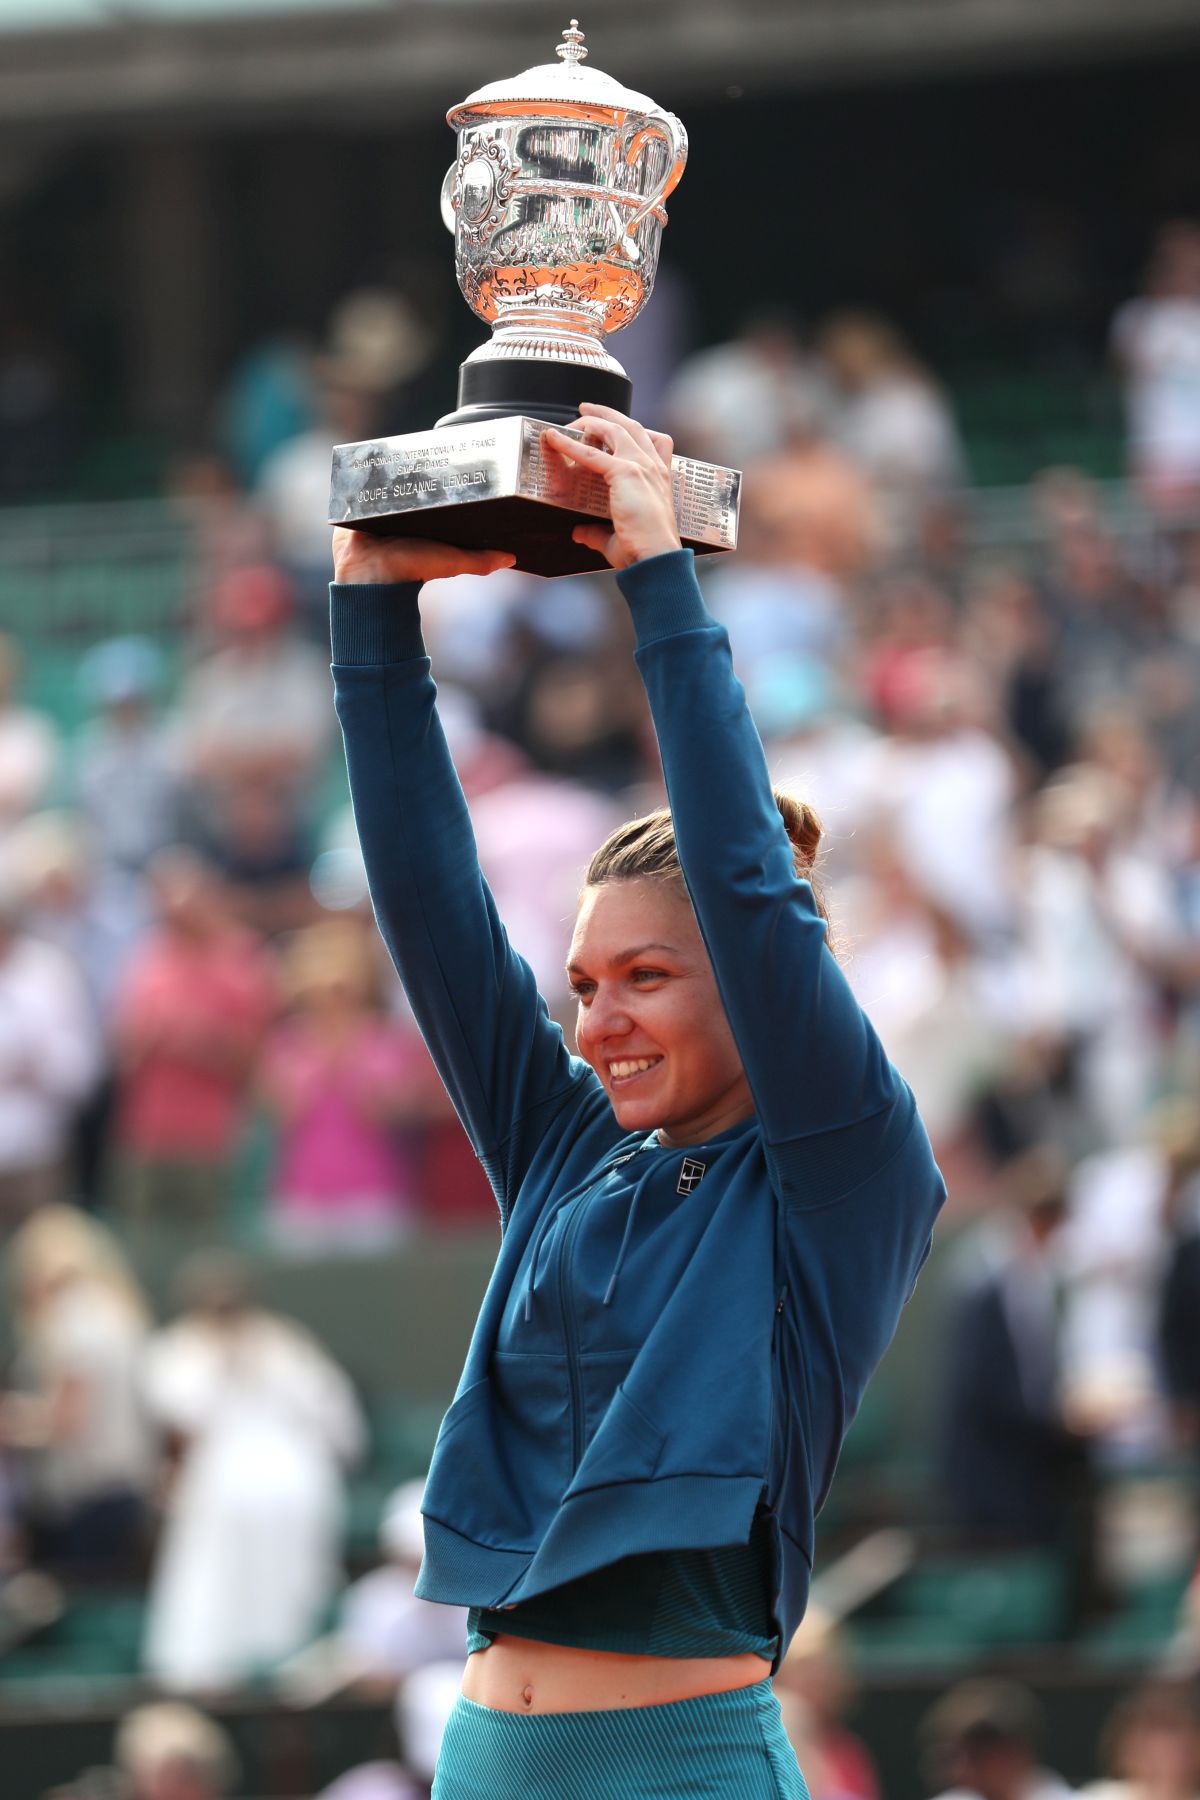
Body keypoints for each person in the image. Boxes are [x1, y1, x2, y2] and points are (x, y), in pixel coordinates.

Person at [329, 403, 945, 1798]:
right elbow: (430, 911)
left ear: (747, 975)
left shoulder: (847, 1170)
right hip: (484, 1756)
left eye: (646, 978)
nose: (597, 1025)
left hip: (685, 1766)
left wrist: (657, 576)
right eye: (583, 983)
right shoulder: (565, 1150)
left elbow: (743, 882)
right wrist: (373, 613)